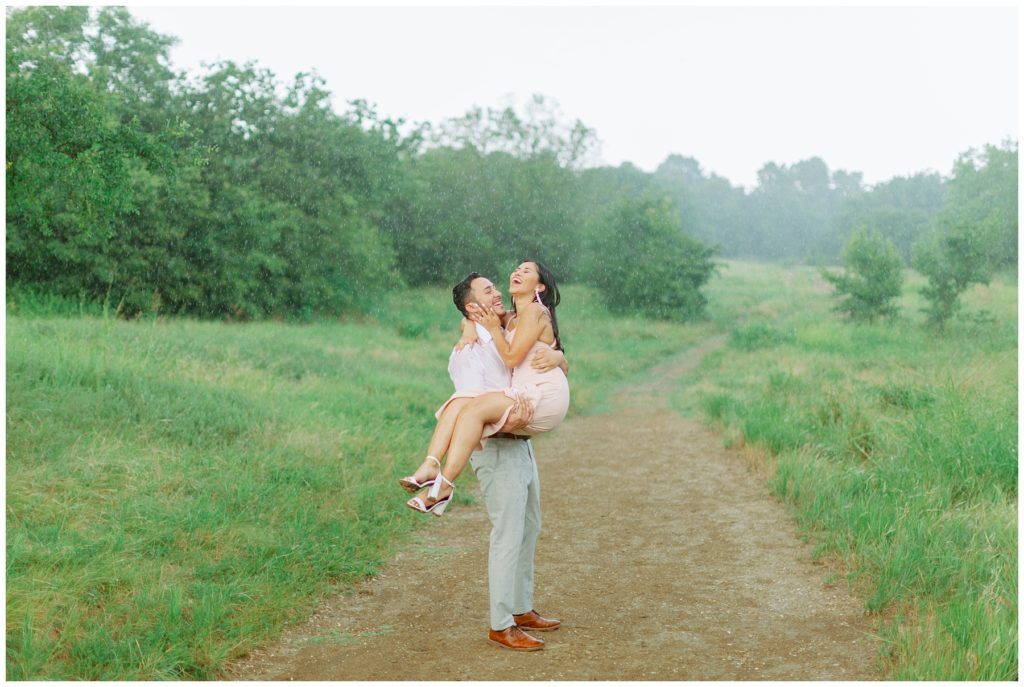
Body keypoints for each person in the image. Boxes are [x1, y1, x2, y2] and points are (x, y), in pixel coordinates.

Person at [400, 268, 566, 651]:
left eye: (496, 289)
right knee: (507, 535)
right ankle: (501, 623)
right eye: (488, 291)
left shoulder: (502, 330)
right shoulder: (468, 352)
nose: (497, 295)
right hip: (497, 448)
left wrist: (556, 356)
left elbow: (534, 351)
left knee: (529, 526)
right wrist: (470, 331)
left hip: (519, 444)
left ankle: (522, 608)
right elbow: (472, 405)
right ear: (474, 306)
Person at [401, 261, 570, 518]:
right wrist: (468, 326)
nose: (517, 272)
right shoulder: (509, 319)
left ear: (539, 286)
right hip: (524, 396)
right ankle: (438, 481)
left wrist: (558, 357)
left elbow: (513, 358)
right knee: (467, 407)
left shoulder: (535, 311)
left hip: (545, 394)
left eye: (526, 271)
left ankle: (441, 482)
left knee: (471, 408)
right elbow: (474, 317)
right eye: (517, 269)